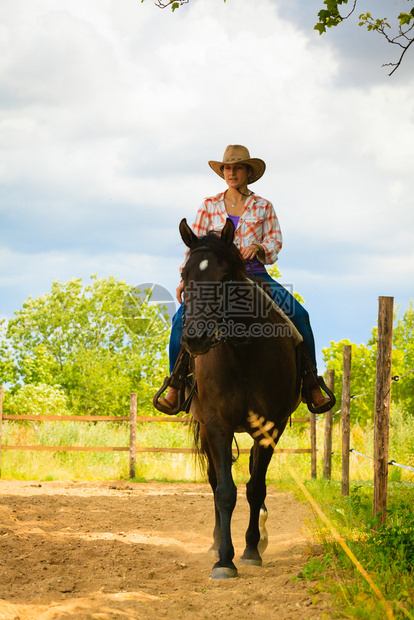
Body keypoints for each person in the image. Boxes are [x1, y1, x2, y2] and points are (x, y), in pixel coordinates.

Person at [154, 145, 333, 414]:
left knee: (300, 315)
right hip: (214, 278)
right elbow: (195, 248)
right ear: (222, 172)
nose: (231, 172)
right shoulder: (208, 205)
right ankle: (175, 385)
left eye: (237, 167)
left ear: (249, 172)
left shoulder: (264, 206)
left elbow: (275, 241)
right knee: (180, 319)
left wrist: (259, 248)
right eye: (227, 167)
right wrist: (184, 278)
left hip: (254, 274)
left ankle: (311, 383)